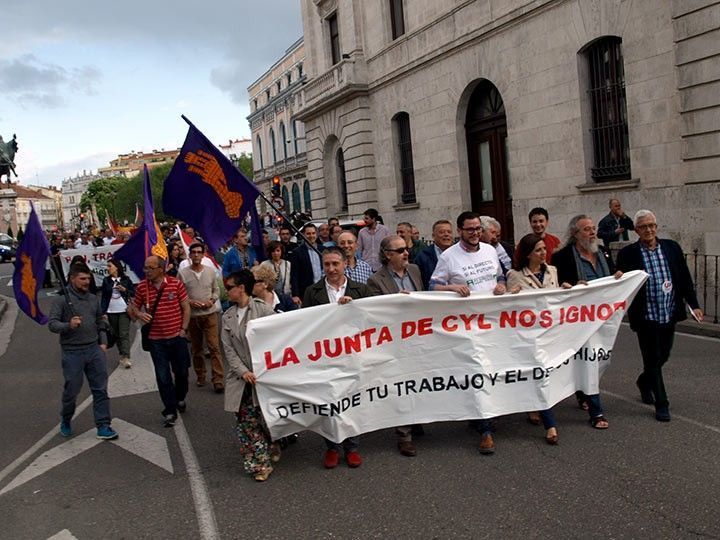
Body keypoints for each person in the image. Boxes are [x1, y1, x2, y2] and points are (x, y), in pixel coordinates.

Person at [430, 211, 506, 454]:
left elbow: (500, 276)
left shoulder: (490, 250)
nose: (474, 233)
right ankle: (485, 430)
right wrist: (452, 287)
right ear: (460, 231)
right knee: (476, 370)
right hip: (465, 324)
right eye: (469, 229)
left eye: (477, 229)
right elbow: (433, 286)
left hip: (492, 322)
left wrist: (502, 285)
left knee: (491, 369)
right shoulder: (449, 256)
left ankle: (482, 414)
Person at [616, 210, 703, 422]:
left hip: (668, 312)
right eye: (644, 227)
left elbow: (683, 277)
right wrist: (618, 276)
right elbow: (621, 279)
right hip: (645, 316)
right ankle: (662, 403)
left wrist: (694, 304)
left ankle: (644, 382)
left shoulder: (671, 248)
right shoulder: (629, 253)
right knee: (652, 359)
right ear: (636, 230)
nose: (649, 230)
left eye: (652, 225)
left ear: (656, 227)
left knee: (663, 354)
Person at [303, 247, 373, 469]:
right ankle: (332, 446)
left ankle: (352, 447)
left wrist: (354, 308)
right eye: (327, 265)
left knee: (352, 401)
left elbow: (372, 320)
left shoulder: (360, 290)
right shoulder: (312, 292)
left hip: (354, 355)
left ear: (345, 264)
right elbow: (305, 325)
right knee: (330, 401)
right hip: (326, 356)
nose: (331, 269)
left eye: (335, 264)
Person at [553, 214, 620, 429]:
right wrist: (572, 286)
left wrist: (619, 278)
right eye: (586, 229)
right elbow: (559, 287)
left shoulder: (603, 253)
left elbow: (612, 278)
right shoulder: (562, 257)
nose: (592, 232)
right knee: (590, 360)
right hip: (579, 320)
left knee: (602, 359)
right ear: (575, 234)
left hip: (603, 317)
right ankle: (596, 412)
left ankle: (582, 391)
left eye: (593, 228)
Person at [507, 233, 571, 445]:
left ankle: (533, 405)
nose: (544, 253)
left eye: (545, 249)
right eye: (538, 250)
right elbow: (506, 310)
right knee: (540, 375)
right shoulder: (515, 276)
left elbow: (555, 299)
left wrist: (567, 291)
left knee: (544, 375)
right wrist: (510, 295)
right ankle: (550, 424)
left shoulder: (552, 271)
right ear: (527, 254)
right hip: (528, 336)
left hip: (550, 333)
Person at [367, 235, 424, 457]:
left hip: (418, 337)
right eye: (400, 250)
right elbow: (375, 314)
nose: (406, 253)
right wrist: (394, 303)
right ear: (388, 255)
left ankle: (416, 419)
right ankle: (404, 435)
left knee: (419, 380)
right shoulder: (376, 280)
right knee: (402, 386)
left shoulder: (416, 270)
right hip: (395, 342)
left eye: (406, 248)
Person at [49, 263, 118, 440]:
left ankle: (103, 425)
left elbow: (100, 320)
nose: (87, 282)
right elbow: (52, 324)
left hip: (93, 349)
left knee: (100, 389)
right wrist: (68, 325)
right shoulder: (62, 300)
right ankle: (66, 418)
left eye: (88, 278)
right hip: (72, 352)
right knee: (72, 389)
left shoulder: (93, 298)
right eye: (82, 279)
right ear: (72, 279)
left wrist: (103, 341)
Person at [221, 269, 277, 481]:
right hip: (240, 379)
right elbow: (228, 349)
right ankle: (260, 464)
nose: (226, 292)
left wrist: (261, 368)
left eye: (229, 288)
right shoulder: (227, 317)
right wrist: (243, 371)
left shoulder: (263, 312)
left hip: (263, 377)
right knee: (246, 423)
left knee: (265, 418)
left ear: (241, 288)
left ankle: (273, 444)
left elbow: (280, 336)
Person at [129, 255, 191, 427]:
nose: (146, 271)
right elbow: (132, 308)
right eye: (145, 268)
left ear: (160, 269)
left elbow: (186, 307)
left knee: (182, 373)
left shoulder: (175, 283)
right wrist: (139, 313)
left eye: (150, 268)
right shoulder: (142, 287)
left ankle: (180, 397)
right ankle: (170, 410)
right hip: (157, 341)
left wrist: (183, 330)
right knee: (163, 377)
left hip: (177, 338)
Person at [179, 242, 224, 393]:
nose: (197, 255)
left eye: (199, 252)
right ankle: (200, 375)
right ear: (190, 255)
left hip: (210, 314)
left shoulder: (210, 271)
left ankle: (218, 379)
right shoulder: (183, 273)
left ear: (204, 254)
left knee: (214, 347)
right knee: (197, 349)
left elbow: (216, 290)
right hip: (192, 316)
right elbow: (180, 294)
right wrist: (190, 302)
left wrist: (211, 300)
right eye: (194, 252)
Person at [100, 258, 135, 369]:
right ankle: (122, 353)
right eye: (108, 266)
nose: (108, 268)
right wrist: (103, 311)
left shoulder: (126, 279)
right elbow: (104, 297)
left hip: (124, 310)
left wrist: (125, 290)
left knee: (124, 333)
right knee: (116, 334)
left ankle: (126, 356)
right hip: (111, 310)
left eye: (110, 266)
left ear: (116, 267)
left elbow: (133, 292)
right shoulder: (106, 281)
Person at [289, 223, 323, 306]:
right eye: (308, 233)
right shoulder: (297, 252)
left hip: (323, 290)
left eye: (313, 233)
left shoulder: (323, 250)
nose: (311, 236)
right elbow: (294, 275)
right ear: (303, 235)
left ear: (317, 234)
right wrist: (295, 295)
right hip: (306, 291)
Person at [414, 219, 454, 290]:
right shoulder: (422, 256)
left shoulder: (460, 253)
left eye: (449, 232)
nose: (446, 234)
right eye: (442, 232)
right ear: (433, 236)